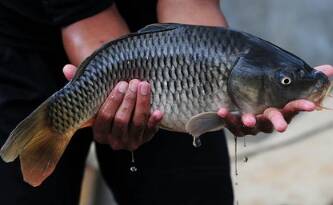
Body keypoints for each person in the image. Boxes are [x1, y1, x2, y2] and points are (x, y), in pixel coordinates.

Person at [0, 0, 332, 204]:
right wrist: (90, 94)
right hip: (36, 33)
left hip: (170, 53)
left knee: (194, 193)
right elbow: (84, 19)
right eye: (285, 81)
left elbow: (192, 7)